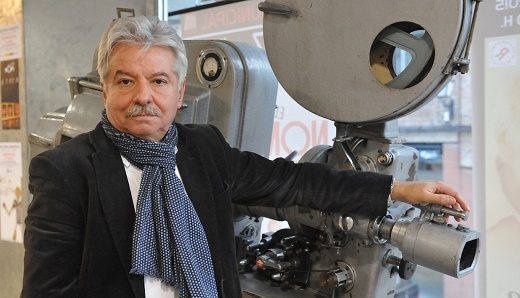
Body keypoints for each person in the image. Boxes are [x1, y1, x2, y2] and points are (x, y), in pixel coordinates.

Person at [21, 16, 469, 298]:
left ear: (179, 93)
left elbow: (292, 181)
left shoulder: (202, 148)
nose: (143, 97)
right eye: (125, 81)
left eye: (158, 81)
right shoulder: (64, 171)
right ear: (105, 88)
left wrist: (397, 189)